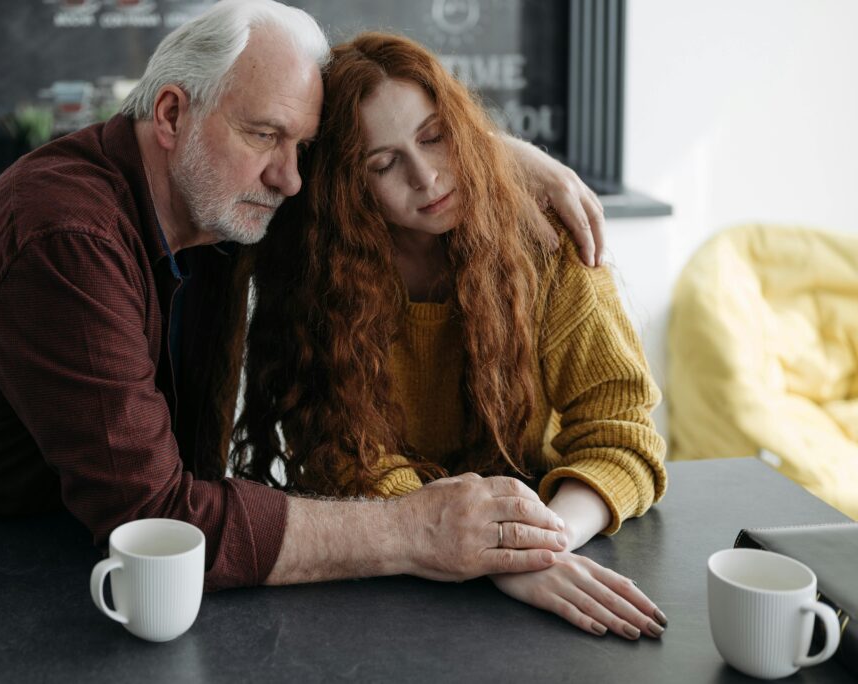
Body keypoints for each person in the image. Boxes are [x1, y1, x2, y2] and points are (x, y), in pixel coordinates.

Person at [0, 1, 600, 592]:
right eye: (266, 136)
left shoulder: (220, 196)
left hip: (36, 542)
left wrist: (494, 155)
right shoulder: (65, 237)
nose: (290, 178)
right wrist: (418, 531)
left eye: (299, 146)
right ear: (171, 114)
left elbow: (372, 128)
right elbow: (161, 528)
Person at [233, 32, 668, 639]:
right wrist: (470, 549)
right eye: (383, 164)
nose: (427, 177)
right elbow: (347, 464)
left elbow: (621, 432)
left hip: (551, 551)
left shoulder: (545, 242)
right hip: (391, 584)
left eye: (434, 136)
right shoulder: (324, 278)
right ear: (347, 186)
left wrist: (534, 547)